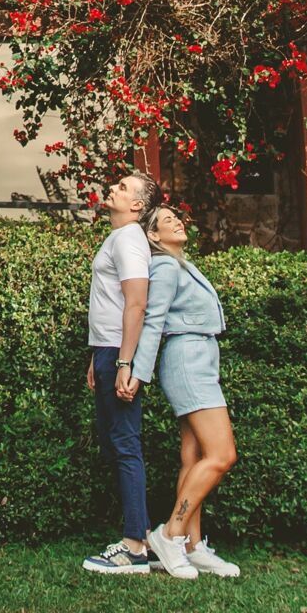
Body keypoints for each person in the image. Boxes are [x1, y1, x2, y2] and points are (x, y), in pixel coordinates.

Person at [124, 202, 241, 580]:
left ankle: (192, 545)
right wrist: (137, 372)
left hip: (199, 358)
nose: (176, 220)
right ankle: (170, 533)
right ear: (153, 236)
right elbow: (153, 320)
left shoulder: (181, 264)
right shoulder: (164, 266)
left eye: (177, 216)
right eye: (165, 220)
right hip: (188, 362)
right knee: (222, 455)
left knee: (194, 457)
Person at [80, 170, 157, 575]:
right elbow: (112, 305)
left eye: (123, 188)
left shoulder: (129, 239)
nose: (113, 187)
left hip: (119, 354)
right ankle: (141, 535)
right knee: (116, 444)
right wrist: (100, 355)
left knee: (125, 445)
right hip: (109, 350)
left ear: (138, 206)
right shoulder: (119, 238)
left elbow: (136, 303)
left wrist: (125, 362)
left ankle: (134, 547)